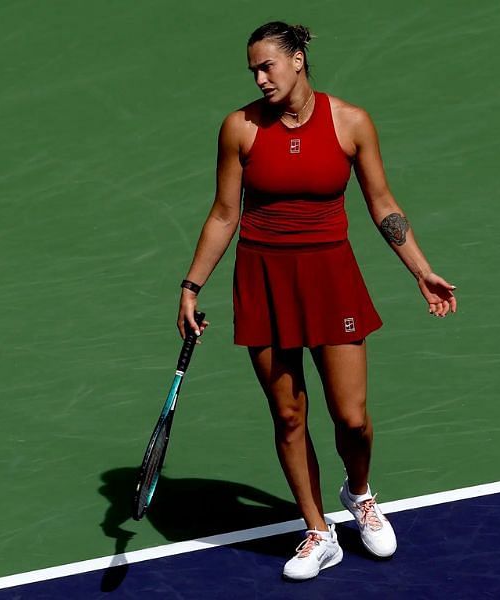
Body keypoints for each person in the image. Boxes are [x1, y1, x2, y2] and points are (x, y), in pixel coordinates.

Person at [176, 21, 457, 580]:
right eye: (253, 70)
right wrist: (190, 286)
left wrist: (421, 271)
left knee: (351, 419)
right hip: (264, 280)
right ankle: (317, 531)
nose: (260, 78)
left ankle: (359, 495)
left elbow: (382, 204)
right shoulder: (240, 129)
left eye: (268, 66)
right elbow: (224, 215)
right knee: (288, 415)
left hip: (332, 277)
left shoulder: (351, 123)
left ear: (298, 59)